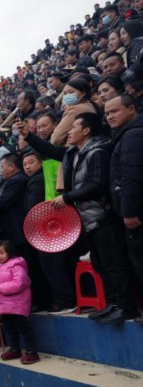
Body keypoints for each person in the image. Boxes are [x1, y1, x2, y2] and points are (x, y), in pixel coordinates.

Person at [52, 113, 137, 324]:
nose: (69, 131)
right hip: (88, 219)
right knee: (100, 264)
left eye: (74, 127)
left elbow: (98, 184)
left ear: (86, 130)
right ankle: (112, 303)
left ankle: (127, 307)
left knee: (114, 264)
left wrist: (68, 197)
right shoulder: (75, 154)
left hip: (103, 216)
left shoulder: (97, 152)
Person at [105, 95, 143, 324]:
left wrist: (128, 210)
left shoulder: (133, 135)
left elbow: (132, 175)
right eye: (107, 113)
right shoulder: (125, 135)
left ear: (131, 109)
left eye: (114, 111)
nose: (109, 116)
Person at [0, 241, 39, 365]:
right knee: (9, 329)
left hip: (17, 304)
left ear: (9, 252)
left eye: (2, 253)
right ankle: (14, 349)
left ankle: (32, 352)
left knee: (23, 328)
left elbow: (19, 283)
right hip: (3, 306)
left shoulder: (17, 265)